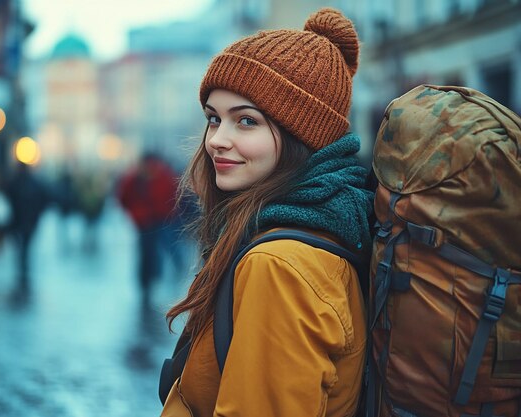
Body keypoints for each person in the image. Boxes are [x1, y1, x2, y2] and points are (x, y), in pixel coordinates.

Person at [160, 8, 373, 417]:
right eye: (213, 118)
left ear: (301, 135)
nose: (217, 140)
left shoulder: (279, 266)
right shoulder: (316, 223)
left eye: (246, 121)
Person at [117, 153, 178, 303]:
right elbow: (124, 197)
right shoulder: (136, 178)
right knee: (148, 251)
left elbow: (171, 195)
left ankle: (151, 279)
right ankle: (148, 280)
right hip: (146, 221)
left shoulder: (160, 176)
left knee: (152, 251)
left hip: (156, 220)